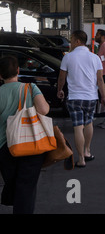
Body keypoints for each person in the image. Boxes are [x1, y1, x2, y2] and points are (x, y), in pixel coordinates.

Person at [0, 56, 49, 213]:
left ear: (0, 75)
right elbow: (44, 110)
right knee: (26, 187)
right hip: (31, 144)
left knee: (13, 183)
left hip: (5, 147)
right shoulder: (30, 88)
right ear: (18, 71)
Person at [57, 30, 105, 168]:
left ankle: (80, 159)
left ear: (78, 41)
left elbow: (61, 77)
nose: (71, 43)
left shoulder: (68, 57)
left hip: (74, 98)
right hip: (91, 97)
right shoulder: (94, 58)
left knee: (78, 127)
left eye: (72, 40)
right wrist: (103, 97)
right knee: (88, 123)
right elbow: (100, 80)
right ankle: (87, 151)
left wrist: (60, 90)